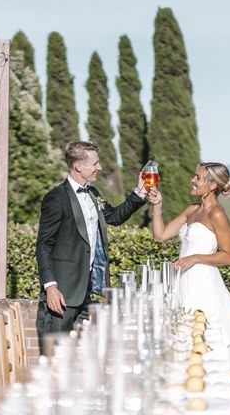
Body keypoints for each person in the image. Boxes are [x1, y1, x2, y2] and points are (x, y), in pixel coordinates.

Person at [149, 162, 230, 374]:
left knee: (205, 338)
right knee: (182, 337)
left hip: (203, 284)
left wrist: (195, 258)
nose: (192, 180)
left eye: (197, 178)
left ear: (212, 185)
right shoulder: (191, 211)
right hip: (182, 282)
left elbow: (229, 256)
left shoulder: (217, 214)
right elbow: (160, 235)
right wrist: (157, 206)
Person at [35, 141, 149, 350]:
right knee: (54, 359)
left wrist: (139, 193)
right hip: (62, 295)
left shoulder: (93, 194)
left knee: (95, 349)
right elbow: (44, 245)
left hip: (86, 292)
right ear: (79, 166)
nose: (100, 167)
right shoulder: (56, 198)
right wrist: (50, 287)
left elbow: (113, 217)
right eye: (95, 163)